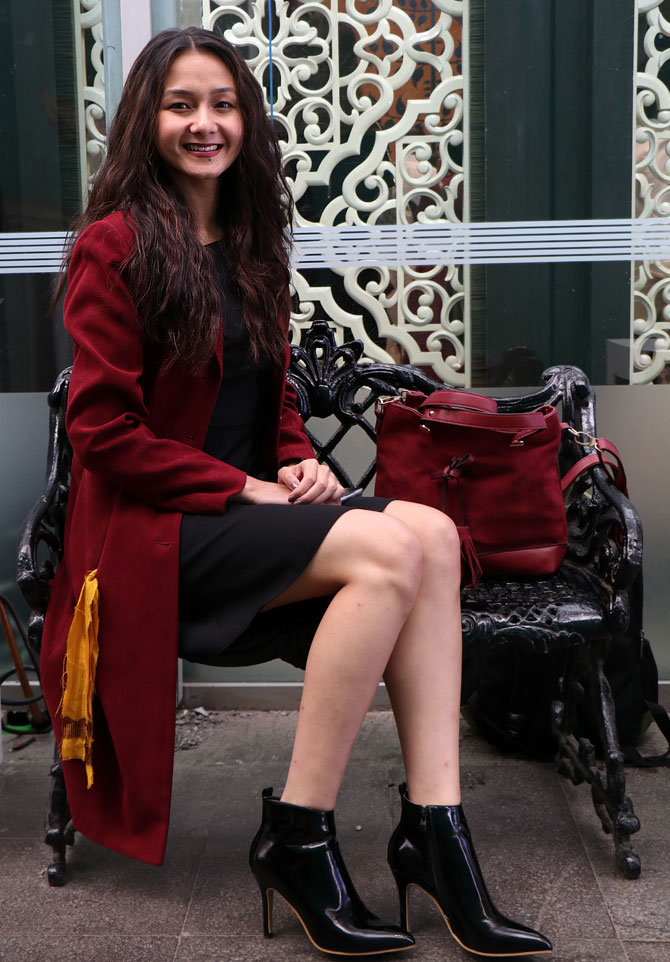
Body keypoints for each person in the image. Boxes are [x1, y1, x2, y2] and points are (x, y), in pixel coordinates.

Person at [42, 27, 552, 958]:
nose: (206, 123)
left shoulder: (250, 242)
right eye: (182, 104)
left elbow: (265, 393)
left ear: (248, 118)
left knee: (430, 535)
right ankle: (300, 835)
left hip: (246, 514)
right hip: (158, 539)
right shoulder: (112, 250)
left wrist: (297, 461)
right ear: (145, 121)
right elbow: (102, 434)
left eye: (223, 104)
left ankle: (436, 833)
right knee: (393, 546)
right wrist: (246, 488)